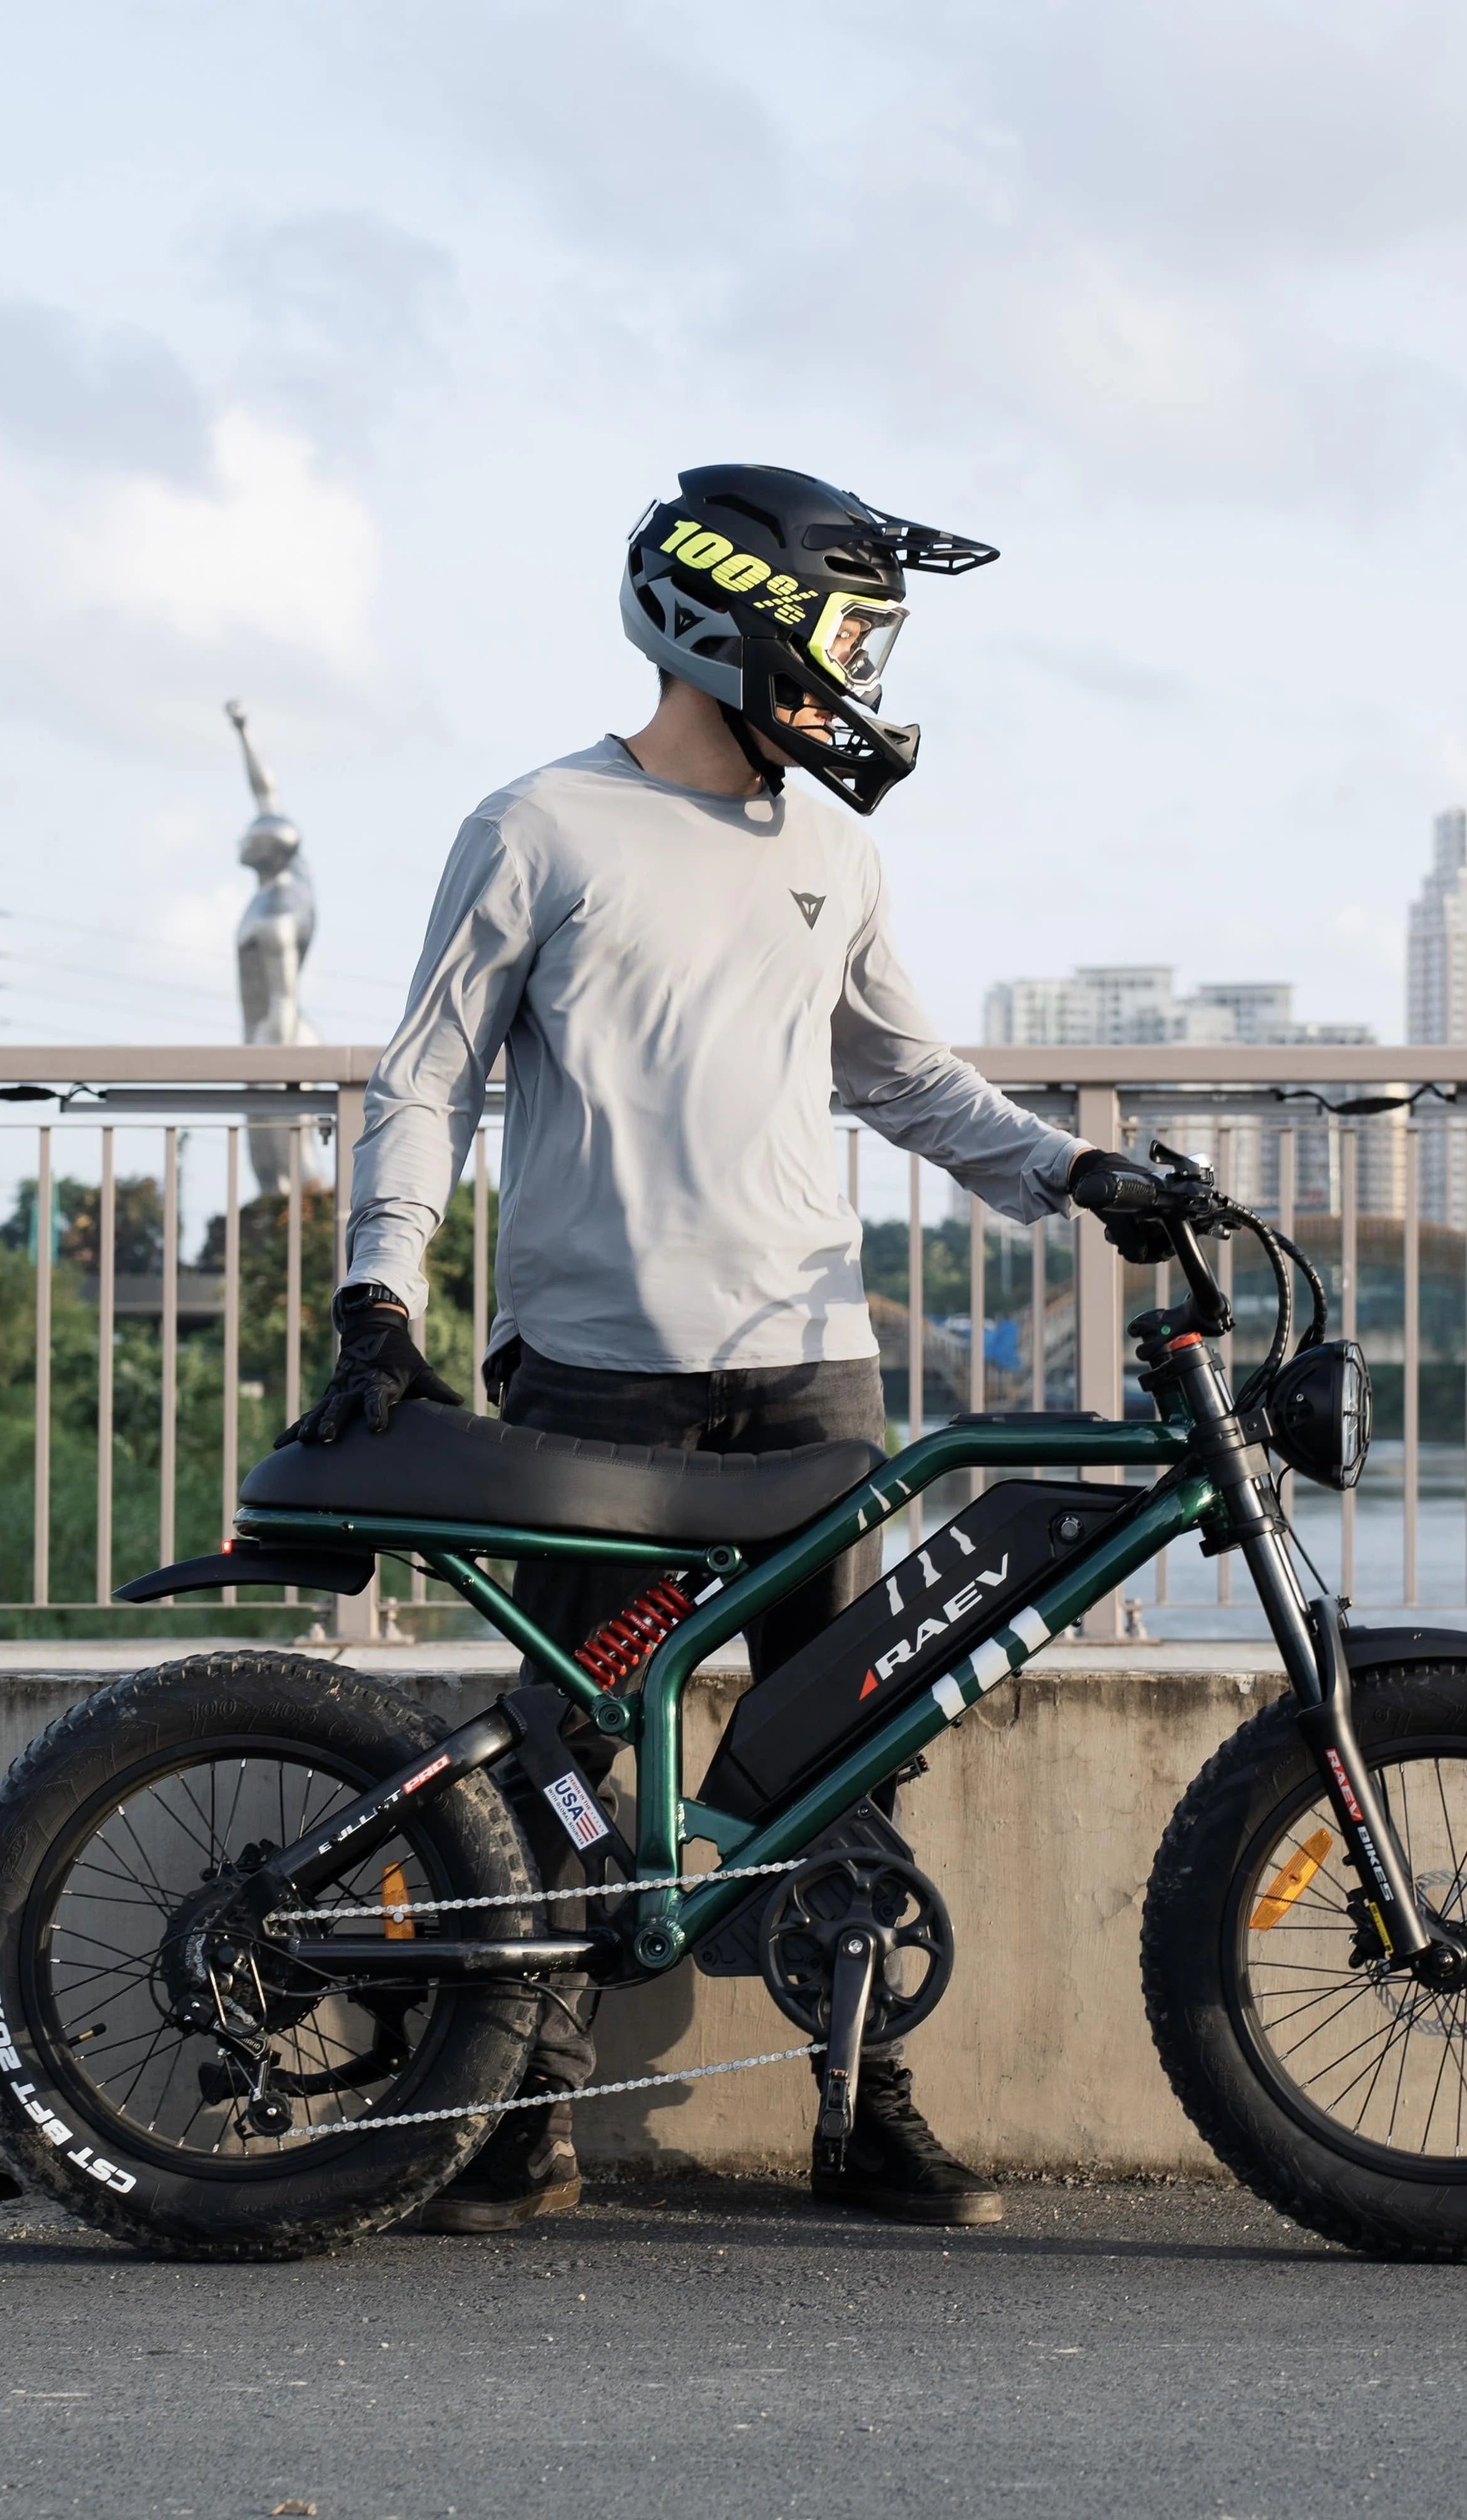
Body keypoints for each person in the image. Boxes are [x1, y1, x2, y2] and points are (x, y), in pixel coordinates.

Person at [282, 463, 1155, 2235]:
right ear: (731, 624)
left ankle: (865, 2106)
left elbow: (903, 1076)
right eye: (847, 640)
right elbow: (427, 1079)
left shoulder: (835, 850)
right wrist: (381, 1296)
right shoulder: (539, 826)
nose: (863, 680)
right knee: (567, 1744)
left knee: (849, 1739)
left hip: (811, 1372)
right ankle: (521, 2111)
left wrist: (1071, 1171)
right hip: (597, 1374)